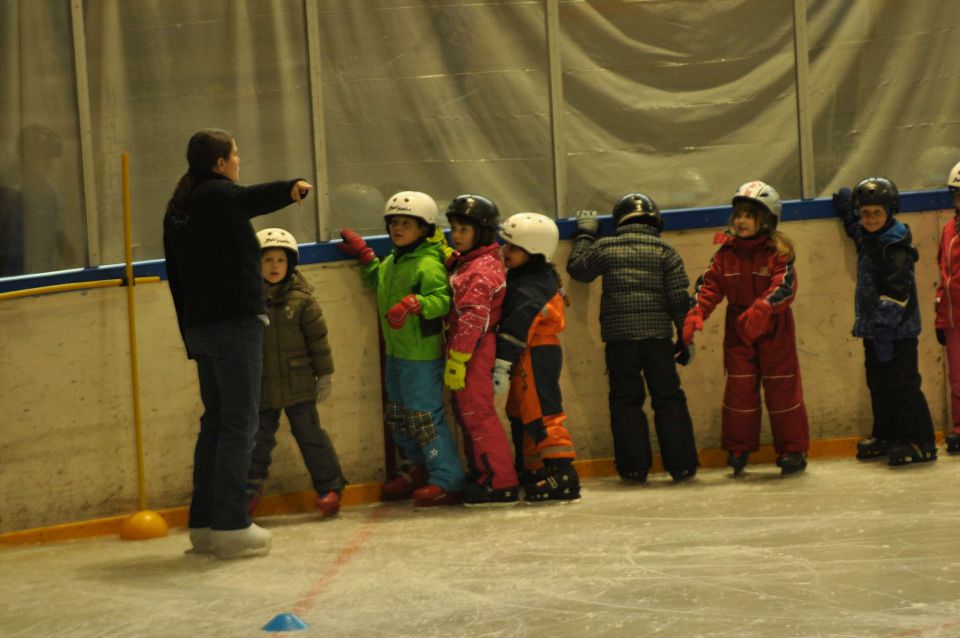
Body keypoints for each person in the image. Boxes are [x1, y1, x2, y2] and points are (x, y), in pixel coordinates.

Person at [163, 128, 312, 558]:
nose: (239, 161)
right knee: (239, 422)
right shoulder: (214, 195)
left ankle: (206, 524)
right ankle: (230, 523)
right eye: (235, 155)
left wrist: (189, 330)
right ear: (219, 163)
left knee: (217, 422)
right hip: (232, 325)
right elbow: (249, 198)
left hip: (202, 327)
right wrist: (290, 188)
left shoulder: (181, 207)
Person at [338, 191, 465, 507]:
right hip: (397, 354)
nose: (397, 228)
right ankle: (420, 467)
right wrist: (367, 258)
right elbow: (380, 283)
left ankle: (447, 478)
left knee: (423, 418)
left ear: (423, 228)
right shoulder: (394, 261)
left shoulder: (427, 263)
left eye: (406, 223)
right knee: (398, 418)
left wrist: (416, 304)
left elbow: (443, 300)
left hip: (421, 356)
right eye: (393, 222)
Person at [566, 193, 699, 484]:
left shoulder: (607, 247)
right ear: (655, 221)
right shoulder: (666, 251)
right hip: (658, 340)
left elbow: (578, 270)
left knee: (626, 402)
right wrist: (686, 339)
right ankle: (683, 466)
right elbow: (680, 300)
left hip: (620, 341)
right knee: (669, 399)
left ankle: (634, 468)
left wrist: (586, 234)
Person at [683, 181, 809, 476]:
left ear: (766, 220)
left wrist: (764, 307)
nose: (741, 221)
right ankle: (739, 447)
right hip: (739, 328)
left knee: (782, 389)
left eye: (749, 216)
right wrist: (696, 313)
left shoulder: (779, 253)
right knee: (739, 389)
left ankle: (792, 449)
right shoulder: (725, 254)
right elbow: (710, 285)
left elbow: (785, 286)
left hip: (774, 327)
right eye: (738, 215)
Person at [833, 177, 937, 466]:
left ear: (890, 212)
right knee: (878, 385)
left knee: (903, 386)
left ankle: (919, 441)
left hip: (897, 332)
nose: (870, 219)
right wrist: (847, 213)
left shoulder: (895, 246)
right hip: (874, 330)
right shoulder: (870, 237)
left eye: (876, 213)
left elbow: (897, 292)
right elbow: (858, 232)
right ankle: (887, 435)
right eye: (865, 213)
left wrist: (884, 329)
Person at [245, 227, 347, 519]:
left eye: (280, 260)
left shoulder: (302, 301)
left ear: (290, 264)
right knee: (257, 440)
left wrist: (324, 374)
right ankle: (249, 489)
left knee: (311, 435)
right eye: (268, 260)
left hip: (299, 383)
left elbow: (319, 341)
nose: (275, 266)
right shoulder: (248, 302)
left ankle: (331, 487)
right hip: (262, 387)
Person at [494, 212, 580, 502]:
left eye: (514, 248)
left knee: (542, 412)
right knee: (522, 412)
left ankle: (563, 473)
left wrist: (502, 364)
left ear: (534, 251)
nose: (506, 253)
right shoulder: (526, 276)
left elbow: (519, 324)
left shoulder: (533, 284)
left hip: (536, 351)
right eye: (505, 246)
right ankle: (534, 468)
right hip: (531, 351)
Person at [443, 194, 519, 507]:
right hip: (467, 346)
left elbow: (474, 318)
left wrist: (460, 358)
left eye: (464, 230)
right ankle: (484, 473)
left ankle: (500, 481)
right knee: (468, 414)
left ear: (482, 233)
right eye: (454, 229)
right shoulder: (470, 262)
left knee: (478, 415)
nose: (456, 236)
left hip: (474, 349)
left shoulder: (482, 270)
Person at [935, 161, 960, 454]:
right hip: (955, 320)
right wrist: (941, 317)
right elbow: (944, 275)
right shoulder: (948, 230)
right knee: (958, 378)